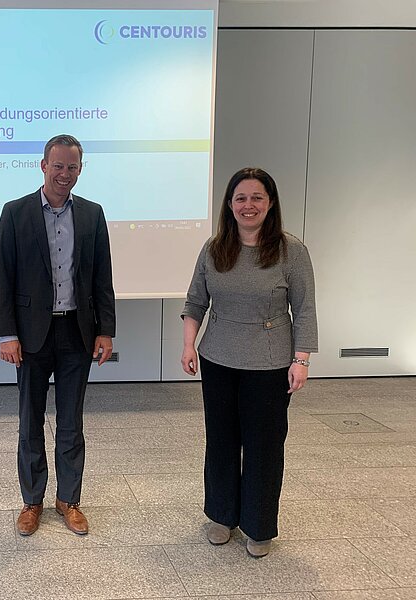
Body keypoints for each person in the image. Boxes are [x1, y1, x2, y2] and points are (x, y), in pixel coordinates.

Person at [180, 167, 318, 558]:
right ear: (229, 204)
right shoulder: (214, 248)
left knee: (264, 446)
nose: (248, 205)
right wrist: (189, 345)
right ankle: (221, 516)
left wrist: (302, 359)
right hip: (218, 358)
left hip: (271, 363)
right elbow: (195, 302)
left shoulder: (292, 251)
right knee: (221, 441)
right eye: (240, 198)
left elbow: (304, 310)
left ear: (270, 203)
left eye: (257, 197)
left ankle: (258, 525)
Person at [0, 134, 116, 537]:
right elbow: (4, 279)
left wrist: (106, 331)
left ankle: (69, 500)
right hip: (30, 336)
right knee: (29, 421)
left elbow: (102, 278)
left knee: (71, 422)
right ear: (43, 165)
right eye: (58, 166)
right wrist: (7, 334)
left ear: (81, 170)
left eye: (73, 167)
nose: (65, 174)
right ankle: (32, 501)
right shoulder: (15, 212)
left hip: (77, 332)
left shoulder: (93, 214)